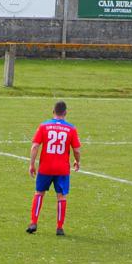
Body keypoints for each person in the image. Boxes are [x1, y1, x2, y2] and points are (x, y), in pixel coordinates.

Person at [27, 100, 81, 236]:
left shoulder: (44, 126)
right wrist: (77, 161)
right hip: (62, 169)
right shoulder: (71, 128)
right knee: (61, 197)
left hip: (45, 167)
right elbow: (76, 150)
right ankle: (59, 227)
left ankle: (33, 222)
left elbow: (35, 146)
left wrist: (32, 164)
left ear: (53, 111)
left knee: (39, 193)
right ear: (65, 112)